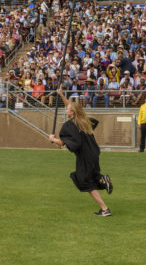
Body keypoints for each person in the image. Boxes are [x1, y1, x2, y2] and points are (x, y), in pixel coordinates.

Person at [48, 87, 112, 217]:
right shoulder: (84, 121)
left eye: (67, 109)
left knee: (85, 182)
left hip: (85, 157)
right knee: (93, 176)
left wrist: (53, 139)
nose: (66, 110)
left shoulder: (69, 126)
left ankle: (105, 209)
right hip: (94, 153)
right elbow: (73, 107)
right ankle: (102, 180)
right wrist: (61, 95)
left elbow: (64, 143)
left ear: (72, 112)